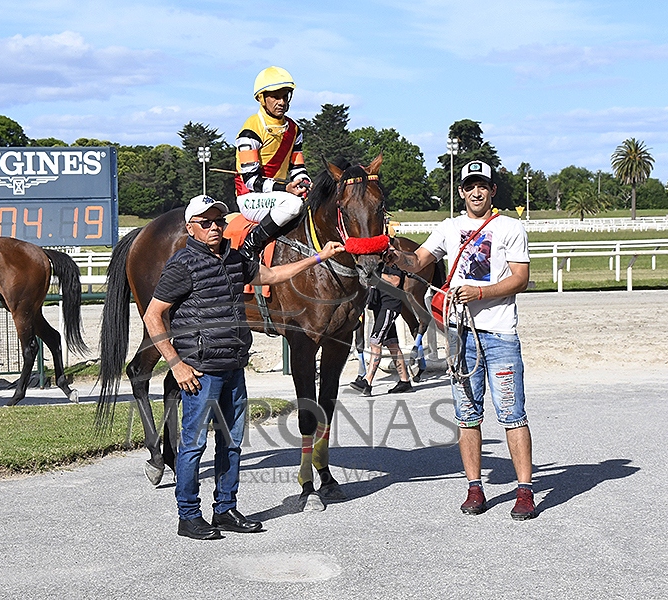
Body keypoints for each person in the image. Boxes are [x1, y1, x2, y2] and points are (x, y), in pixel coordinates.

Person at [142, 194, 344, 540]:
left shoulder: (235, 258)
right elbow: (152, 316)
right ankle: (188, 516)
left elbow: (272, 275)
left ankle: (225, 509)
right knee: (193, 446)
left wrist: (318, 257)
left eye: (219, 221)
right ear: (190, 228)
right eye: (206, 222)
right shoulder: (181, 265)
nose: (215, 227)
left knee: (231, 443)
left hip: (234, 366)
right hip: (200, 370)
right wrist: (176, 364)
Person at [383, 160, 536, 521]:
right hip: (459, 333)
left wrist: (480, 293)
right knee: (467, 416)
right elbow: (417, 260)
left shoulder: (510, 227)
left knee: (512, 414)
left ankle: (524, 491)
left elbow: (520, 278)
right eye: (470, 186)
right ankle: (474, 487)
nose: (476, 192)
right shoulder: (449, 228)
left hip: (500, 334)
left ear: (492, 190)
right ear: (461, 191)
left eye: (482, 186)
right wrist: (393, 255)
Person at [234, 66, 310, 260]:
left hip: (279, 195)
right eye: (275, 97)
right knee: (293, 205)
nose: (282, 102)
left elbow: (298, 168)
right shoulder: (250, 129)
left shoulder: (294, 129)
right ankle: (252, 243)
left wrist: (305, 184)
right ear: (262, 98)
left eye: (285, 96)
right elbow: (251, 180)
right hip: (250, 197)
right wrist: (286, 188)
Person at [349, 263, 413, 397]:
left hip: (389, 305)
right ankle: (405, 381)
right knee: (392, 343)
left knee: (375, 342)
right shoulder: (380, 261)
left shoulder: (394, 260)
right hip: (380, 305)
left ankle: (367, 381)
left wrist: (375, 274)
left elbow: (395, 281)